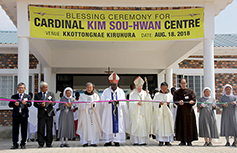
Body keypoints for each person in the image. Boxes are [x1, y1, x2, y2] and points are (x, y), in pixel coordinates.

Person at [101, 72, 130, 146]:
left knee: (118, 125)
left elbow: (124, 102)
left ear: (117, 84)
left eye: (115, 85)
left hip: (118, 111)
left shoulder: (120, 91)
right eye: (112, 85)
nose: (114, 86)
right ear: (110, 84)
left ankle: (117, 140)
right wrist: (108, 101)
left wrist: (119, 102)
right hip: (108, 113)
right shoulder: (106, 91)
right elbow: (102, 101)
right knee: (108, 125)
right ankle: (108, 140)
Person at [173, 78, 198, 146]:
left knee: (189, 126)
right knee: (180, 126)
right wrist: (179, 102)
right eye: (182, 83)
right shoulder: (177, 92)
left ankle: (189, 140)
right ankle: (182, 140)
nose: (183, 85)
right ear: (180, 84)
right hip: (180, 112)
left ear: (186, 83)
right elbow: (175, 100)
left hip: (189, 112)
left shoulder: (190, 91)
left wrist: (192, 102)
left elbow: (194, 99)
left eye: (184, 83)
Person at [128, 76, 152, 145]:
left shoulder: (144, 93)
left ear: (142, 87)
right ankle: (135, 141)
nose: (139, 89)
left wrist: (148, 95)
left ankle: (142, 141)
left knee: (142, 127)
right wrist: (136, 103)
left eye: (140, 87)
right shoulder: (132, 94)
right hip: (136, 113)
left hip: (143, 113)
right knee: (136, 126)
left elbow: (149, 101)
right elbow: (130, 103)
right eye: (138, 87)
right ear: (135, 87)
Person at [77, 82, 102, 147]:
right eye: (88, 87)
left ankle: (93, 141)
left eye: (90, 87)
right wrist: (85, 105)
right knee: (85, 128)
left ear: (93, 88)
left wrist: (94, 105)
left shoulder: (95, 95)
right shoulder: (82, 96)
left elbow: (99, 104)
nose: (89, 89)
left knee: (93, 128)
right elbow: (79, 105)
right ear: (85, 88)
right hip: (85, 115)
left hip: (93, 115)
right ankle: (85, 141)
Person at [9, 82, 32, 149]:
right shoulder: (14, 96)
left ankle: (23, 143)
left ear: (24, 89)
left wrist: (26, 104)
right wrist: (14, 104)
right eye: (19, 88)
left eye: (22, 88)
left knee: (24, 130)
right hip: (16, 115)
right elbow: (10, 104)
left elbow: (30, 104)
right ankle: (15, 144)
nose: (21, 89)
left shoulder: (27, 96)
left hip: (24, 115)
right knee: (15, 130)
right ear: (17, 89)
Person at [34, 81, 55, 148]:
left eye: (46, 87)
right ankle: (41, 143)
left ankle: (49, 143)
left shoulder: (51, 94)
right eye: (44, 87)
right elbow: (35, 104)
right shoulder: (37, 95)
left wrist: (51, 103)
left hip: (49, 113)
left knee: (49, 129)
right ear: (41, 88)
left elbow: (54, 103)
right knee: (40, 129)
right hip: (41, 114)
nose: (45, 88)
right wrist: (41, 105)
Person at [153, 82, 174, 146]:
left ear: (167, 88)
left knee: (168, 126)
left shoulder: (170, 95)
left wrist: (169, 104)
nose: (164, 90)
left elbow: (172, 103)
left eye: (165, 88)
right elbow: (154, 103)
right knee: (160, 126)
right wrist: (159, 104)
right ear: (160, 88)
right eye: (163, 88)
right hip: (160, 114)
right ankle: (161, 141)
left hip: (167, 114)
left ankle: (167, 141)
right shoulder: (157, 95)